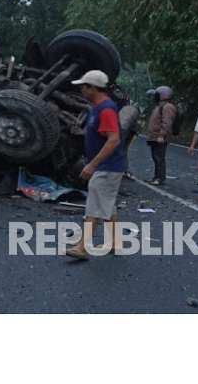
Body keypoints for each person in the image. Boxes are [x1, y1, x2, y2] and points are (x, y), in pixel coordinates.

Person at [64, 70, 127, 258]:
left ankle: (82, 247)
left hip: (108, 166)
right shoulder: (98, 107)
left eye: (84, 87)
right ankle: (116, 242)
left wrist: (93, 164)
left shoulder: (106, 109)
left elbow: (114, 140)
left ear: (93, 88)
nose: (82, 90)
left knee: (94, 204)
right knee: (107, 204)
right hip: (107, 165)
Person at [145, 86, 177, 185]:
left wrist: (162, 135)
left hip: (159, 137)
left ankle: (160, 178)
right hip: (155, 136)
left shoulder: (167, 107)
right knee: (156, 157)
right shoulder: (160, 106)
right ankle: (156, 176)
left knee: (159, 158)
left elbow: (167, 123)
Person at [118, 101, 141, 179]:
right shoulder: (133, 112)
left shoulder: (129, 110)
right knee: (124, 150)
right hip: (129, 134)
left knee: (123, 151)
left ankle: (123, 169)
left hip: (127, 134)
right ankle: (123, 169)